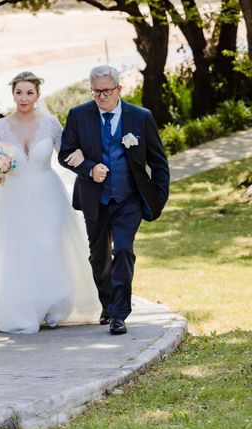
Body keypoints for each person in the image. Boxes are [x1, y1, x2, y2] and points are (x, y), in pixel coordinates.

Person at [0, 71, 101, 334]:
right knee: (17, 250)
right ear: (13, 94)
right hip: (12, 196)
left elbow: (65, 153)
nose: (24, 97)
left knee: (48, 244)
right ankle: (22, 308)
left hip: (47, 193)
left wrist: (87, 160)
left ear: (38, 95)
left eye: (29, 92)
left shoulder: (50, 123)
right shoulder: (0, 127)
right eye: (19, 92)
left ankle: (54, 307)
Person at [58, 65, 170, 335]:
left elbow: (158, 162)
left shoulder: (141, 117)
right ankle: (107, 305)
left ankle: (119, 313)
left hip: (128, 199)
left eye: (106, 91)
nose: (101, 97)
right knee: (98, 257)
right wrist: (89, 168)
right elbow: (65, 153)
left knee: (122, 249)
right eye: (95, 92)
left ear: (119, 89)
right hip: (94, 199)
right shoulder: (79, 115)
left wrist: (158, 197)